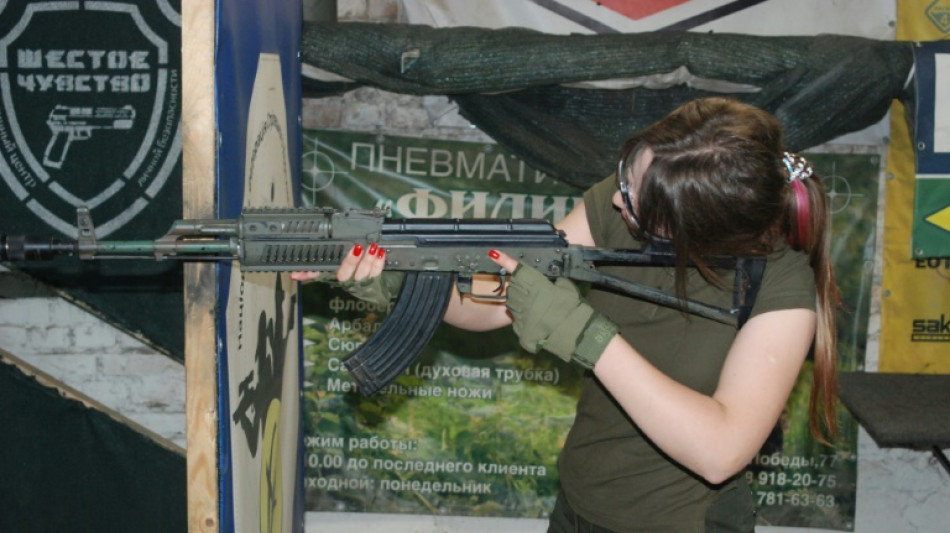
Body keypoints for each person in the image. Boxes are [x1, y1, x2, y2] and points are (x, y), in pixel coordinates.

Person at [291, 96, 840, 532]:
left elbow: (721, 451)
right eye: (626, 175)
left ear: (695, 229)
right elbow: (497, 303)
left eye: (637, 200)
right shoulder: (619, 208)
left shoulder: (782, 287)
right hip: (579, 505)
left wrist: (586, 335)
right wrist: (400, 278)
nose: (618, 199)